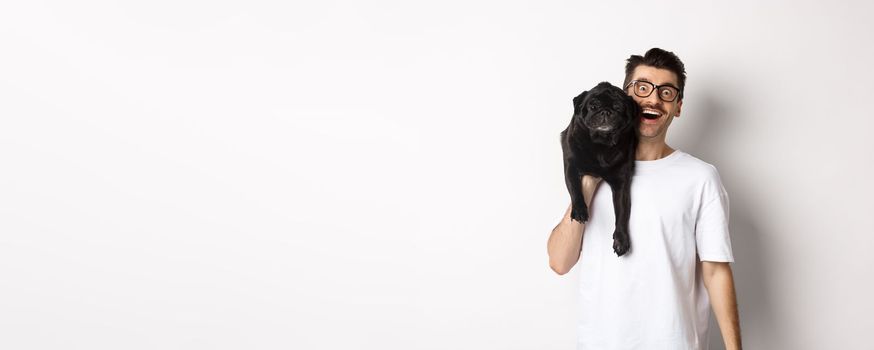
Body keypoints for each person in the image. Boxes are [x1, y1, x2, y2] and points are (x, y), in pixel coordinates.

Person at [547, 48, 742, 350]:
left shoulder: (700, 177)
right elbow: (560, 261)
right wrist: (587, 184)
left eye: (666, 92)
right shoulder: (590, 173)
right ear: (625, 98)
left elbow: (716, 272)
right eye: (642, 88)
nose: (653, 99)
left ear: (678, 107)